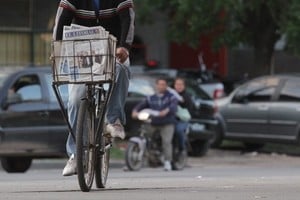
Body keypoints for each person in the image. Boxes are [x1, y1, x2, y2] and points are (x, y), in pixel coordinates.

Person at [52, 0, 135, 176]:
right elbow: (61, 21)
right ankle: (76, 154)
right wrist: (57, 48)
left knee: (122, 69)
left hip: (113, 50)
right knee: (75, 101)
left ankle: (114, 120)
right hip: (82, 52)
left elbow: (127, 19)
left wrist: (124, 46)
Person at [131, 77, 178, 171]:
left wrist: (166, 111)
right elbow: (141, 105)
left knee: (166, 142)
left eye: (163, 85)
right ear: (156, 86)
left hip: (167, 122)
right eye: (159, 84)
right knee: (144, 135)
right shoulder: (151, 97)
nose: (161, 86)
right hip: (153, 122)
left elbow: (173, 107)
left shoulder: (171, 97)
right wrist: (135, 111)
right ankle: (143, 156)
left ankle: (167, 161)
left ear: (166, 86)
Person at [173, 77, 194, 154]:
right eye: (177, 84)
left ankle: (181, 148)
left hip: (182, 120)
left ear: (184, 86)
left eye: (181, 84)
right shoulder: (170, 95)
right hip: (171, 119)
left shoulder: (187, 96)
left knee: (178, 130)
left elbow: (189, 111)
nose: (179, 86)